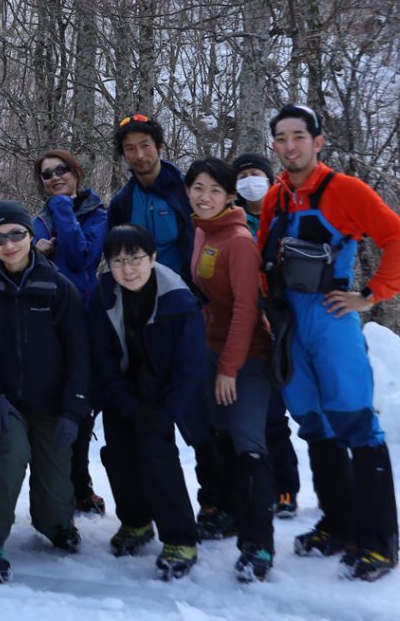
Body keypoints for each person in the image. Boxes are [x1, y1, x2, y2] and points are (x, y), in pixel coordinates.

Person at [258, 104, 400, 581]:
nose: (290, 146)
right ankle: (338, 523)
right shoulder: (275, 198)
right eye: (281, 138)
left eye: (298, 136)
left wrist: (370, 297)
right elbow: (266, 257)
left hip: (332, 320)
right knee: (313, 421)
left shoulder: (343, 190)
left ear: (318, 141)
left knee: (355, 422)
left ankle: (379, 542)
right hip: (290, 325)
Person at [0, 201, 90, 583]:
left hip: (51, 402)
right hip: (8, 403)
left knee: (56, 482)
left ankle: (53, 522)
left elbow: (79, 353)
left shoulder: (57, 287)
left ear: (31, 236)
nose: (9, 244)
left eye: (16, 235)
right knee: (8, 457)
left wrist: (73, 410)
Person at [89, 225, 206, 579]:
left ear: (152, 258)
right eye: (118, 261)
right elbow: (102, 357)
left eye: (136, 258)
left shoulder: (179, 299)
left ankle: (180, 538)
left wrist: (164, 410)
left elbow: (190, 365)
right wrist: (124, 401)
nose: (128, 268)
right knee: (119, 455)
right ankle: (136, 522)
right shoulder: (103, 295)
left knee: (158, 457)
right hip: (122, 389)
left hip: (163, 392)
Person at [186, 158, 275, 582]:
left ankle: (259, 544)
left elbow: (246, 308)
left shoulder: (239, 240)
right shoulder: (204, 228)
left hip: (246, 357)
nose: (204, 197)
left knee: (248, 443)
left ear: (229, 196)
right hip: (212, 349)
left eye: (214, 191)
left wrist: (229, 367)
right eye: (197, 187)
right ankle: (229, 514)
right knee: (218, 435)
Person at [32, 148, 108, 516]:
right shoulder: (37, 221)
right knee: (52, 405)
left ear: (77, 172)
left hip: (83, 321)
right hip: (46, 323)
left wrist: (62, 208)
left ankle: (82, 483)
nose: (55, 177)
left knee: (81, 407)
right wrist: (36, 250)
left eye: (62, 170)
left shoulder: (96, 215)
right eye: (47, 175)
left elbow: (80, 257)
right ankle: (58, 488)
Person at [234, 151, 300, 519]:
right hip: (244, 323)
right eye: (242, 175)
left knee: (276, 414)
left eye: (256, 173)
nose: (249, 180)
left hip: (282, 319)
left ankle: (286, 487)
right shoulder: (232, 218)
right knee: (248, 415)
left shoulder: (285, 214)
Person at [108, 114, 195, 284]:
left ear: (159, 146)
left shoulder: (186, 191)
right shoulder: (122, 202)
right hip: (139, 295)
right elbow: (113, 253)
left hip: (186, 293)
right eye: (130, 148)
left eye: (145, 145)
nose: (139, 155)